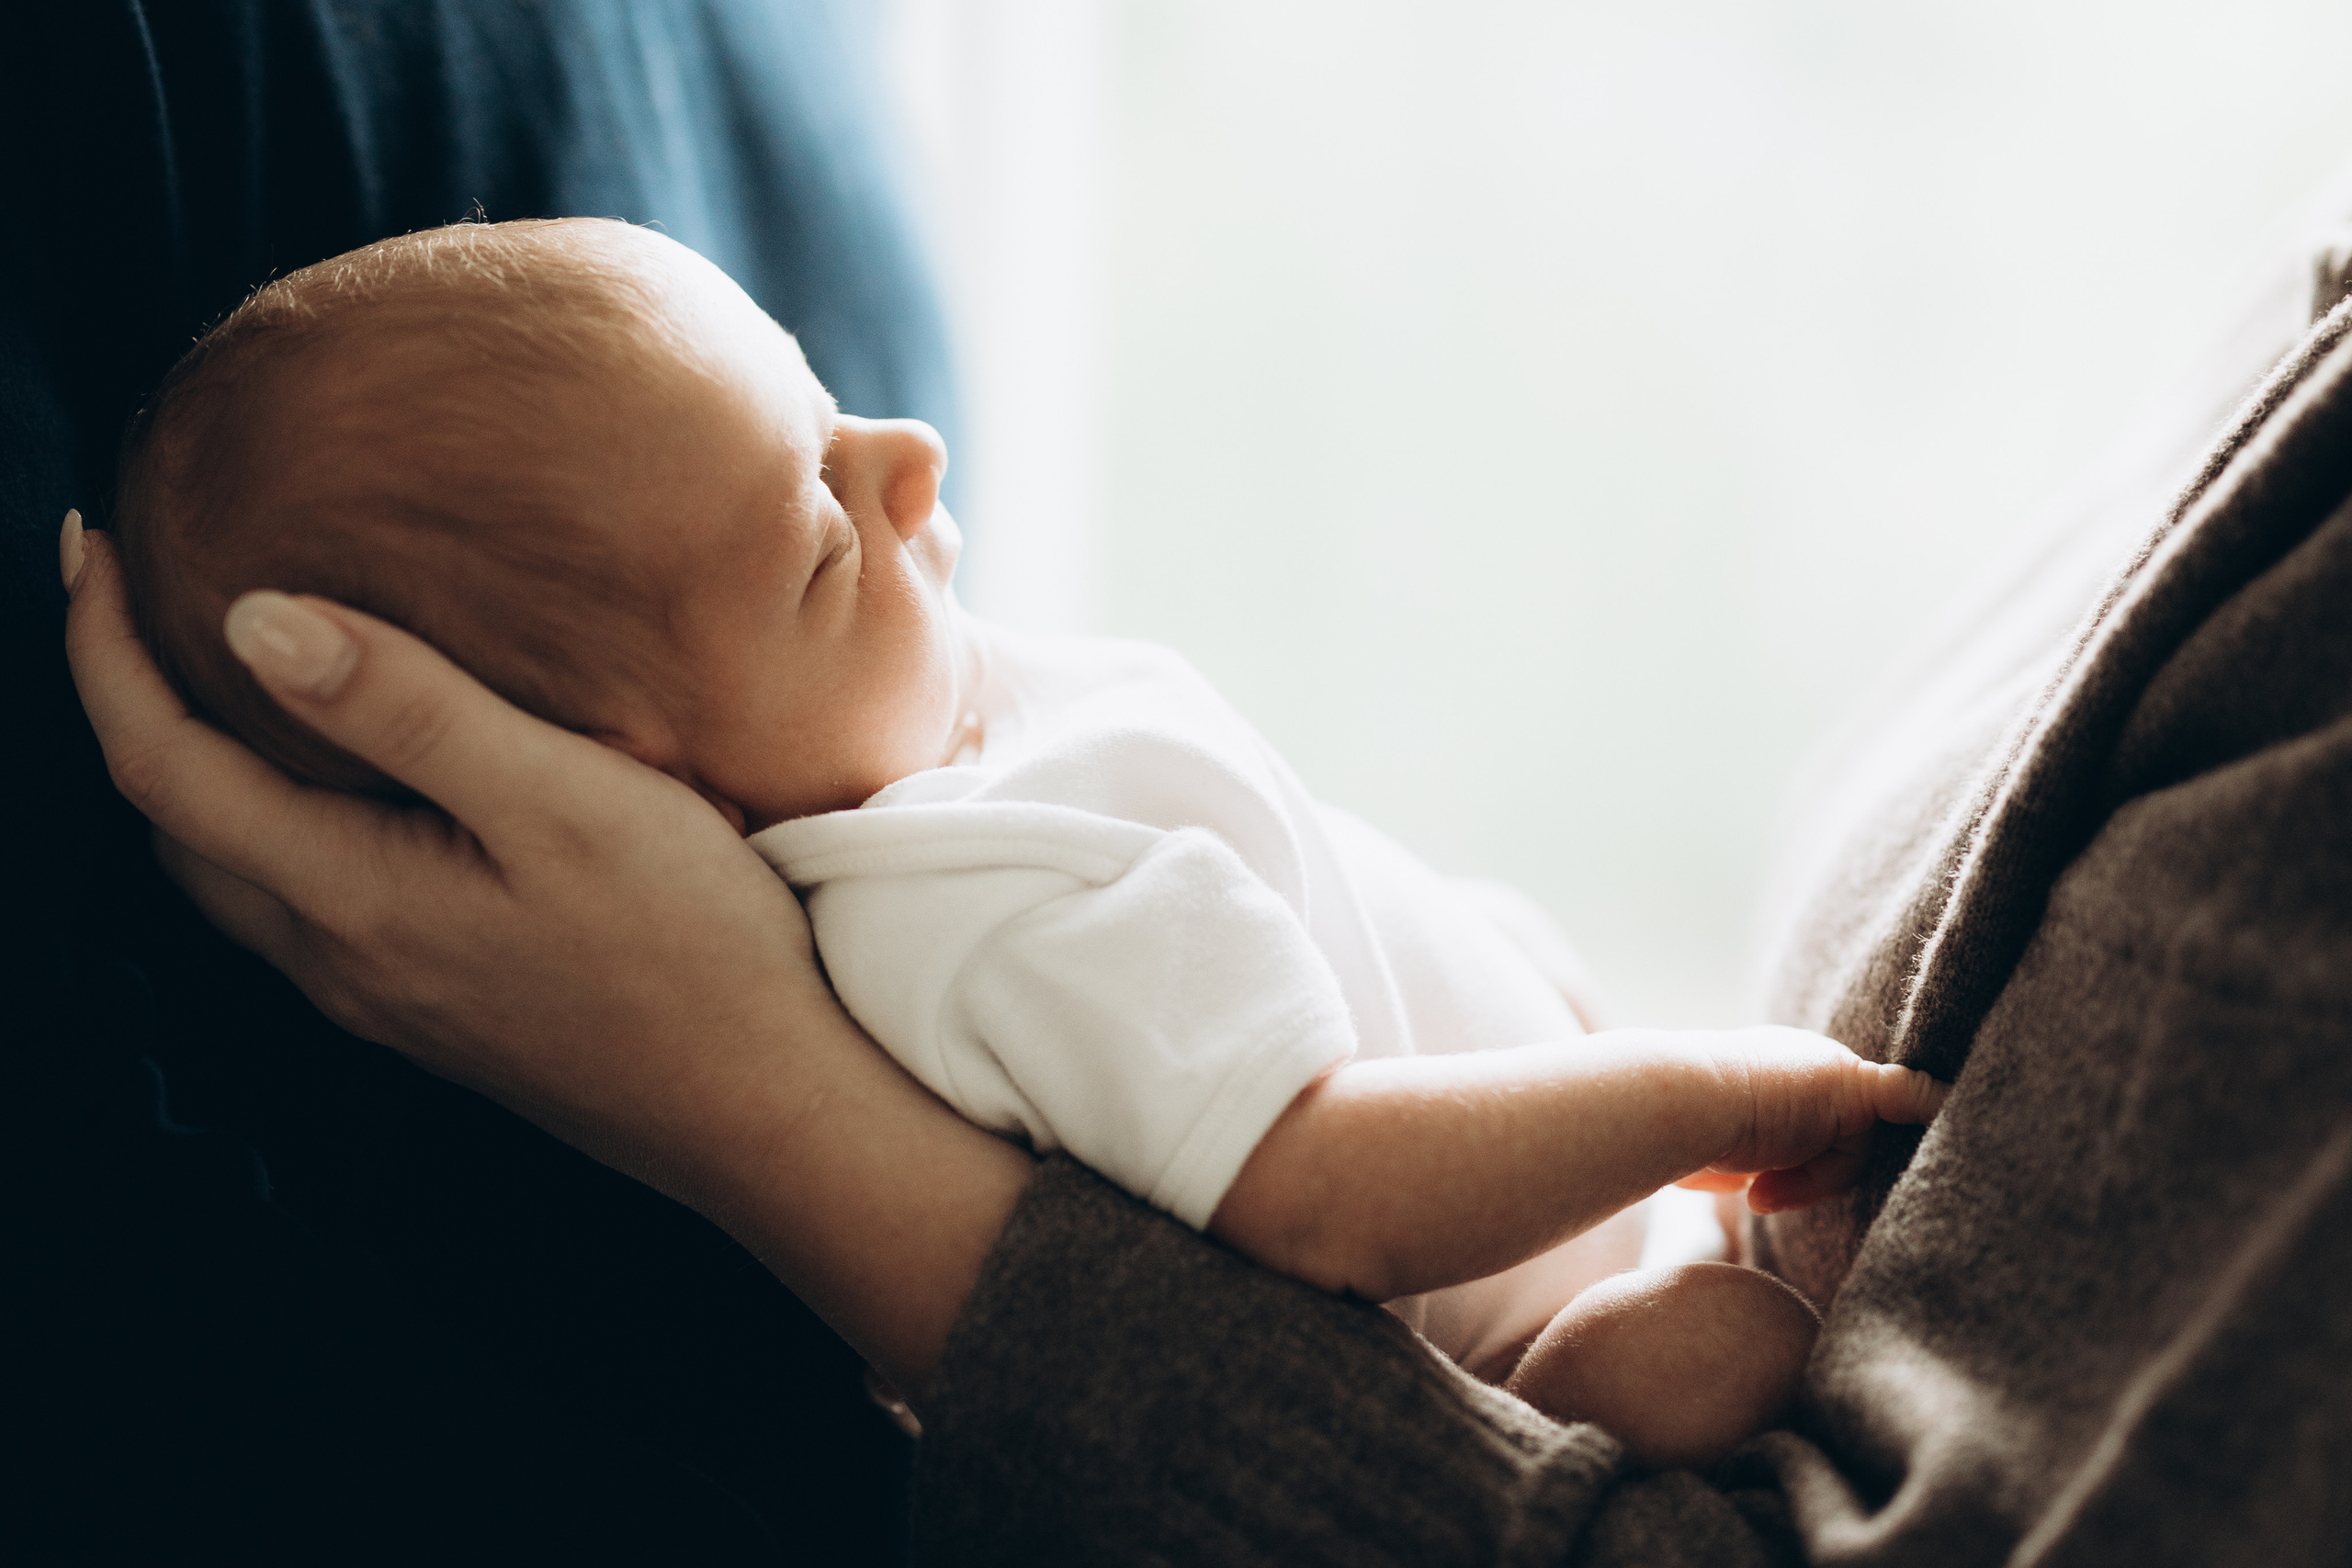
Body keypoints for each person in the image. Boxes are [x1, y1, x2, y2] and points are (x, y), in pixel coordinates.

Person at [64, 186, 2352, 1558]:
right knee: (1698, 1358)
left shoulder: (912, 724)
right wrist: (1697, 1097)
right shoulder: (957, 909)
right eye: (800, 530)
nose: (902, 460)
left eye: (819, 396)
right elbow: (1330, 1198)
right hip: (1522, 1339)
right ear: (658, 783)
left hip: (1511, 1134)